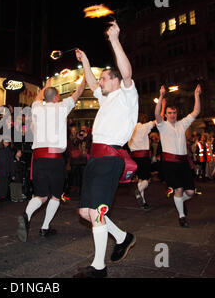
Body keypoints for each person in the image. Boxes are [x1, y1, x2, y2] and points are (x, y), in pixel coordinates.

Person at [74, 21, 138, 278]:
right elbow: (90, 81)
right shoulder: (105, 96)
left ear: (113, 80)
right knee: (84, 211)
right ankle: (123, 237)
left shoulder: (126, 94)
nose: (99, 82)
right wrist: (86, 62)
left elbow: (126, 73)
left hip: (111, 157)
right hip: (95, 159)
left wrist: (114, 40)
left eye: (103, 79)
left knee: (97, 211)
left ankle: (98, 268)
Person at [17, 54, 87, 243]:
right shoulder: (61, 107)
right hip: (55, 159)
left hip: (39, 158)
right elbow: (78, 93)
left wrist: (46, 85)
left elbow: (40, 96)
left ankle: (26, 215)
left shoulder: (36, 107)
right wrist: (84, 78)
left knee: (40, 195)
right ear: (57, 97)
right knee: (55, 196)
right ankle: (45, 227)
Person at [155, 84, 201, 228]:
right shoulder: (162, 125)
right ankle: (182, 216)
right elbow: (157, 114)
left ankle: (180, 203)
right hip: (170, 163)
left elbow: (196, 111)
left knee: (191, 192)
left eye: (174, 113)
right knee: (179, 190)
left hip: (183, 163)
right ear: (166, 114)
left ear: (177, 114)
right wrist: (161, 96)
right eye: (169, 113)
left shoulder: (182, 124)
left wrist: (196, 95)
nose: (172, 115)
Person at [128, 113, 156, 210]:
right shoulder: (144, 127)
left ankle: (143, 202)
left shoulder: (130, 128)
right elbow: (156, 121)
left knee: (140, 179)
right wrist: (163, 106)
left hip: (134, 157)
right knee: (147, 179)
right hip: (143, 157)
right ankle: (138, 190)